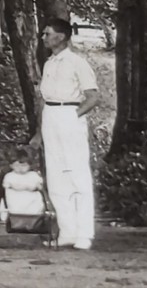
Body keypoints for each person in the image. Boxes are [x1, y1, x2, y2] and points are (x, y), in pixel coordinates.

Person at [31, 17, 99, 251]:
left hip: (70, 115)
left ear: (60, 37)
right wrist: (39, 133)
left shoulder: (77, 63)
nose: (44, 38)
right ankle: (67, 231)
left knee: (77, 175)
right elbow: (45, 100)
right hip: (51, 117)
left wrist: (73, 117)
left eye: (47, 34)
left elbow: (92, 97)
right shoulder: (49, 63)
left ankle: (84, 234)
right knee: (56, 177)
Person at [2, 148, 46, 216]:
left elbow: (40, 186)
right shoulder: (10, 176)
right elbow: (9, 186)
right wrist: (26, 187)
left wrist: (37, 187)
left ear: (29, 165)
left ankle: (36, 214)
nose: (20, 168)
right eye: (17, 166)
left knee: (37, 201)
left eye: (24, 165)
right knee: (15, 204)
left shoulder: (33, 175)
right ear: (11, 166)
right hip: (17, 200)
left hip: (31, 200)